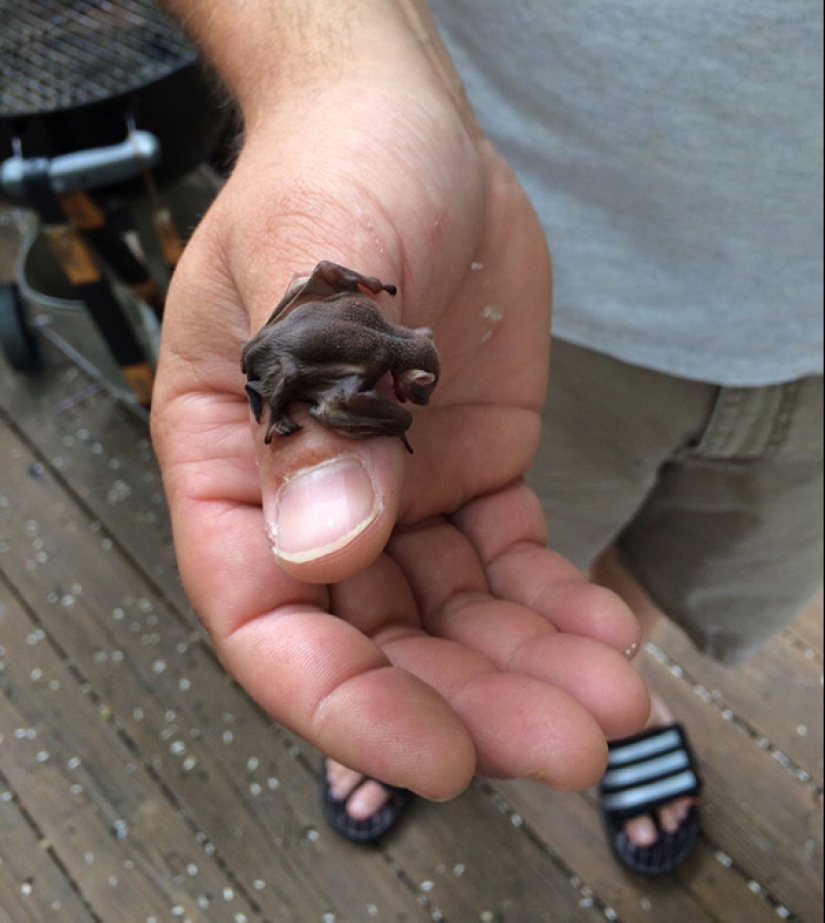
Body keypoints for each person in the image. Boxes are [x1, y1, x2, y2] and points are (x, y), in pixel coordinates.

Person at [152, 0, 823, 876]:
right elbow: (301, 345)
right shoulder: (385, 366)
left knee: (672, 557)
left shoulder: (380, 369)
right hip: (502, 274)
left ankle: (613, 679)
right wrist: (320, 74)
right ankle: (400, 696)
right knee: (463, 550)